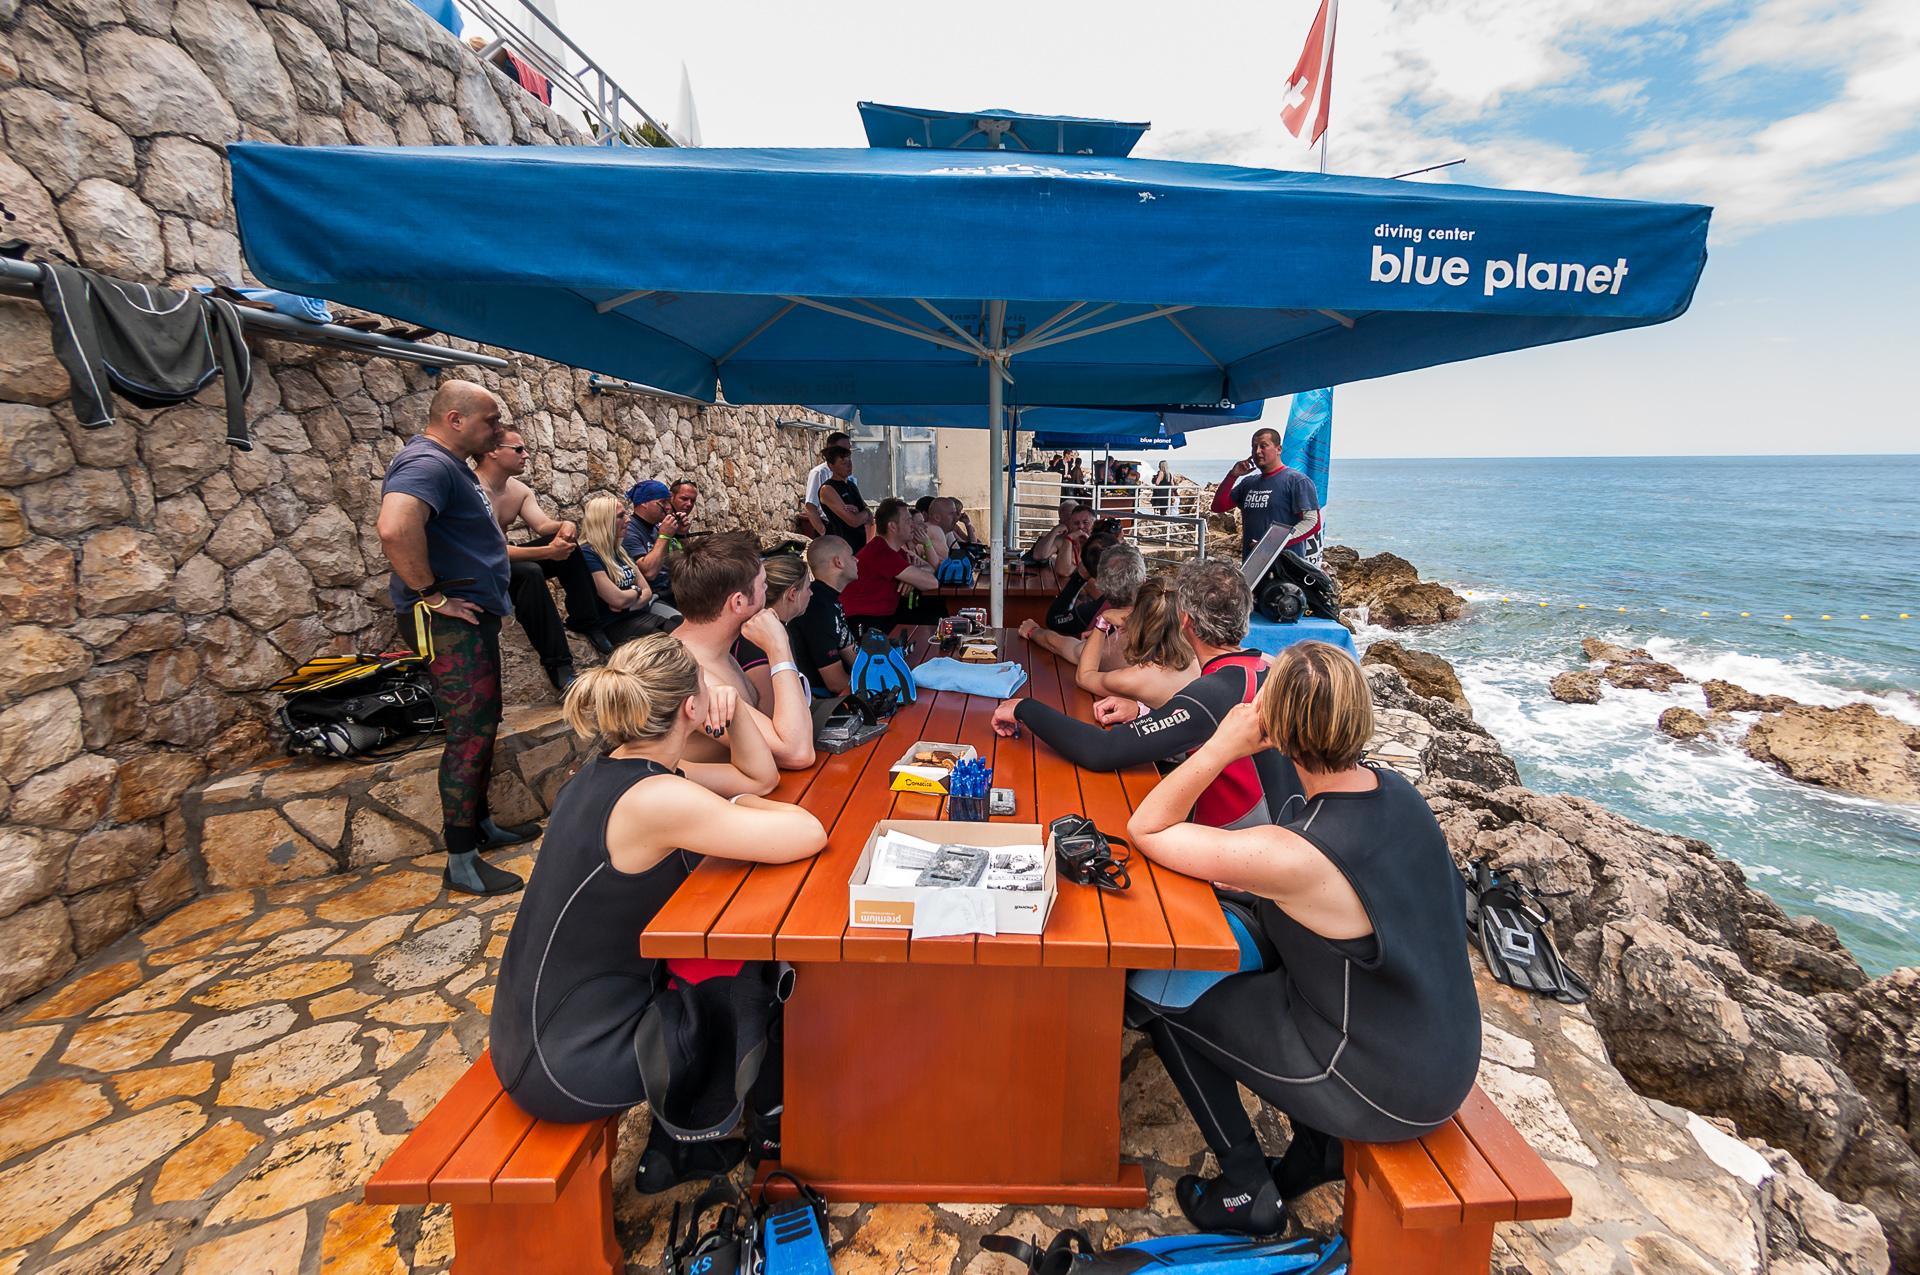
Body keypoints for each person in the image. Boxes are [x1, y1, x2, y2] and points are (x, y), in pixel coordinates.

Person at [1124, 642, 1481, 1234]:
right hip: (1440, 1052)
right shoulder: (1396, 793)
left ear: (1274, 725)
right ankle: (1317, 1149)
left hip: (1376, 1084)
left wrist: (1222, 745)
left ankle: (1246, 1188)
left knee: (1157, 990)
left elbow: (1148, 827)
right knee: (1253, 957)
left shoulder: (1300, 854)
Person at [488, 633, 828, 1192]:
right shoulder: (657, 798)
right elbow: (808, 831)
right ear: (691, 709)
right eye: (708, 689)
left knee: (707, 966)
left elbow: (760, 777)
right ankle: (768, 1139)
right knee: (748, 982)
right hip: (568, 1062)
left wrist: (737, 716)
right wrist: (737, 807)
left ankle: (679, 1149)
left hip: (534, 1034)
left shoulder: (615, 771)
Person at [992, 558, 1304, 832]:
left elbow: (1102, 750)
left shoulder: (1211, 693)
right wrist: (1144, 712)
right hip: (1289, 833)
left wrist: (1025, 708)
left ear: (1185, 621)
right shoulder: (1274, 668)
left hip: (1232, 850)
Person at [374, 380, 535, 898]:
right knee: (468, 732)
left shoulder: (450, 465)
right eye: (490, 421)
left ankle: (480, 827)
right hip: (447, 623)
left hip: (467, 618)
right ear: (455, 419)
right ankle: (461, 860)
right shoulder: (427, 463)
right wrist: (432, 595)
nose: (497, 430)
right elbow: (395, 528)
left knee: (482, 725)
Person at [669, 532, 816, 769]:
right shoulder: (690, 673)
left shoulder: (716, 651)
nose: (767, 591)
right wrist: (779, 648)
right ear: (738, 602)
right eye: (763, 585)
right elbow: (797, 753)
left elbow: (777, 724)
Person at [474, 429, 599, 690]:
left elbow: (542, 525)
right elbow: (492, 551)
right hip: (481, 568)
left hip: (503, 558)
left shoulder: (517, 489)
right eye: (518, 449)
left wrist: (564, 525)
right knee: (529, 572)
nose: (526, 455)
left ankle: (586, 621)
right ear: (493, 451)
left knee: (570, 547)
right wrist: (548, 552)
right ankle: (559, 664)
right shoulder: (472, 491)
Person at [1073, 574, 1201, 706]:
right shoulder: (1199, 656)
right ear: (1185, 619)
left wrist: (1103, 620)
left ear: (1135, 612)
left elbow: (1084, 677)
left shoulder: (1135, 678)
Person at [1211, 427, 1322, 565]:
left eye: (1263, 446)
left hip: (1286, 567)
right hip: (1252, 566)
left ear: (1278, 449)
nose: (1257, 451)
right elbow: (1218, 507)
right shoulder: (1248, 483)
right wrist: (1232, 476)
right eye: (1254, 447)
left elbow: (1312, 522)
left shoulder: (1297, 481)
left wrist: (1272, 544)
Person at [578, 495, 677, 645]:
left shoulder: (620, 551)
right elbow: (618, 599)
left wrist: (627, 604)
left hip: (636, 615)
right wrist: (636, 591)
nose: (628, 520)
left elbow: (647, 591)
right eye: (620, 516)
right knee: (672, 644)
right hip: (616, 624)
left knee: (682, 629)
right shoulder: (588, 554)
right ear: (604, 521)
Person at [1022, 535, 1137, 663]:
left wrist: (1033, 631)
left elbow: (1056, 624)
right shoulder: (1153, 607)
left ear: (1099, 582)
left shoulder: (1099, 613)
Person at [838, 498, 943, 632]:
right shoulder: (881, 552)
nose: (913, 525)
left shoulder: (896, 551)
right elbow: (932, 583)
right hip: (865, 621)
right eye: (908, 521)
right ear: (892, 526)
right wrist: (914, 576)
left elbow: (931, 568)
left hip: (883, 615)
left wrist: (912, 576)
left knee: (935, 613)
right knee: (935, 618)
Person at [737, 551, 811, 709]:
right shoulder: (756, 640)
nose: (811, 593)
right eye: (808, 588)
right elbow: (769, 708)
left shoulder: (777, 627)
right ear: (792, 594)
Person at [789, 535, 858, 697]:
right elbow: (835, 683)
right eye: (851, 555)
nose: (857, 560)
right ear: (838, 562)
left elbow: (854, 656)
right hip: (820, 700)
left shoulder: (827, 598)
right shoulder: (817, 606)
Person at [622, 478, 691, 608]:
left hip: (674, 589)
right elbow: (649, 573)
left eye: (669, 502)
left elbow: (683, 561)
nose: (668, 507)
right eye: (663, 502)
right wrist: (664, 536)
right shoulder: (629, 531)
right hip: (653, 596)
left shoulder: (657, 528)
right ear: (644, 503)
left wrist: (681, 535)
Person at [816, 444, 871, 551]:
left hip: (860, 544)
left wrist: (864, 512)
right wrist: (865, 513)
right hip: (842, 546)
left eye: (850, 461)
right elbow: (853, 521)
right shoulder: (827, 489)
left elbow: (869, 517)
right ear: (831, 466)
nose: (849, 465)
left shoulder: (851, 485)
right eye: (843, 463)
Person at [800, 431, 852, 537]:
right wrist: (823, 531)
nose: (846, 453)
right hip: (830, 527)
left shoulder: (848, 473)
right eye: (842, 450)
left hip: (847, 528)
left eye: (848, 450)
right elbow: (811, 506)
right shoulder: (819, 473)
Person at [1026, 499, 1081, 566]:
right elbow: (1038, 555)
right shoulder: (1061, 539)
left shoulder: (1088, 536)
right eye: (1067, 519)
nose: (1072, 521)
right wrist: (1055, 530)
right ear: (1061, 522)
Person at [1049, 503, 1098, 578]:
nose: (1081, 526)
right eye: (1076, 523)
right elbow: (1063, 571)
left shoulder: (1101, 542)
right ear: (1071, 526)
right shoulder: (1071, 542)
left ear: (1095, 524)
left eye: (1085, 522)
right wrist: (1069, 538)